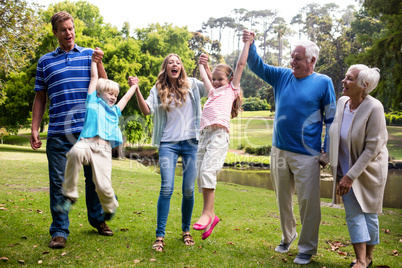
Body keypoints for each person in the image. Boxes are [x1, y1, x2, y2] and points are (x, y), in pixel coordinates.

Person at [242, 30, 336, 265]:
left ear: (312, 61)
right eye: (292, 57)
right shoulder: (282, 76)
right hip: (280, 150)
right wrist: (250, 44)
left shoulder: (324, 82)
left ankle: (307, 248)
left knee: (307, 203)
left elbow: (331, 119)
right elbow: (256, 65)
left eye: (298, 58)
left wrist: (327, 151)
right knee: (283, 199)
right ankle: (288, 235)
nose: (292, 61)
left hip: (308, 155)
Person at [30, 11, 112, 249]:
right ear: (55, 32)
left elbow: (105, 87)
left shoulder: (88, 55)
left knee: (94, 180)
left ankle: (98, 220)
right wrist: (35, 128)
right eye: (63, 29)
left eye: (71, 28)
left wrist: (99, 62)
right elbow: (40, 97)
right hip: (57, 133)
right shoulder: (45, 61)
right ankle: (59, 231)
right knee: (59, 183)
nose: (69, 33)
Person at [128, 53, 211, 251]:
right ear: (165, 68)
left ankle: (186, 231)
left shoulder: (192, 83)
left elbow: (211, 88)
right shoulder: (157, 89)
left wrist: (205, 67)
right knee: (167, 187)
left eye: (178, 62)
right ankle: (160, 235)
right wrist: (136, 89)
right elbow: (146, 110)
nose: (175, 65)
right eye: (170, 63)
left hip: (191, 143)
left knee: (188, 190)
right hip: (168, 144)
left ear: (181, 66)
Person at [58, 51, 140, 221]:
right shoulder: (92, 102)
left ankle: (110, 207)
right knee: (74, 153)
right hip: (86, 143)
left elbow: (126, 97)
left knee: (103, 187)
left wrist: (134, 86)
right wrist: (94, 62)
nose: (113, 97)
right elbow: (94, 78)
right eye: (110, 93)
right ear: (100, 92)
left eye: (115, 95)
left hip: (103, 149)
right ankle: (70, 195)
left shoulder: (115, 111)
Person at [329, 65, 388, 268]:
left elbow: (373, 147)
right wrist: (327, 157)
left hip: (369, 170)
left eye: (350, 79)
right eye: (345, 77)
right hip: (345, 168)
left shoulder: (374, 108)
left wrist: (351, 176)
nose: (344, 82)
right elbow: (335, 134)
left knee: (370, 213)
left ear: (365, 85)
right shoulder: (342, 103)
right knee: (354, 214)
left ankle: (368, 258)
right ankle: (361, 260)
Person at [192, 44, 247, 239]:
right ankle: (212, 216)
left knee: (208, 171)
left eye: (219, 79)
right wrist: (202, 65)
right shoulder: (213, 92)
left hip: (218, 135)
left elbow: (240, 64)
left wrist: (247, 42)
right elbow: (206, 78)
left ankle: (207, 213)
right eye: (213, 79)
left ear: (230, 80)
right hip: (204, 135)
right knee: (201, 174)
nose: (215, 83)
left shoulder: (231, 90)